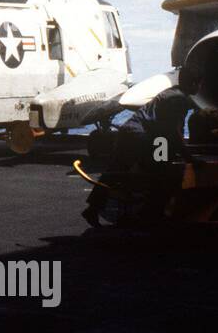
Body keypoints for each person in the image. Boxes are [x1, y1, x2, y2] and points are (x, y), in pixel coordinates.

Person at [82, 74, 195, 228]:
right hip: (141, 135)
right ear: (194, 83)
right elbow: (173, 132)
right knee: (161, 172)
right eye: (199, 83)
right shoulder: (179, 99)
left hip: (129, 131)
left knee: (116, 171)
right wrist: (190, 158)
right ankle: (150, 213)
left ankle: (93, 208)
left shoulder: (170, 92)